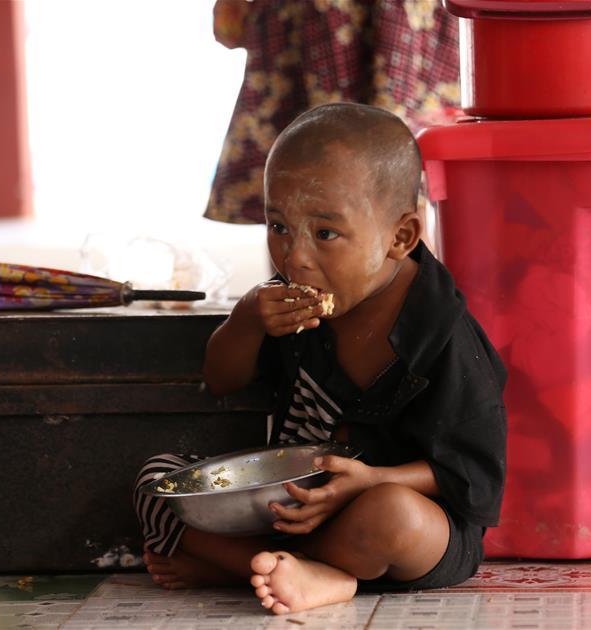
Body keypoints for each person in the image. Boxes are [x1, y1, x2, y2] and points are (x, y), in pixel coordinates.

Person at [133, 103, 506, 614]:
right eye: (279, 227)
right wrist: (247, 318)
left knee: (394, 518)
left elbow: (472, 473)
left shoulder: (441, 335)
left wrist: (375, 479)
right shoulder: (290, 302)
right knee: (158, 484)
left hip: (397, 519)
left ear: (400, 237)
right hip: (291, 506)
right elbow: (221, 378)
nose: (295, 257)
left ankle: (265, 566)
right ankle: (298, 569)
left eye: (325, 234)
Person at [205, 0, 461, 224]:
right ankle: (289, 281)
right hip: (307, 19)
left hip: (401, 22)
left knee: (404, 182)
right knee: (291, 180)